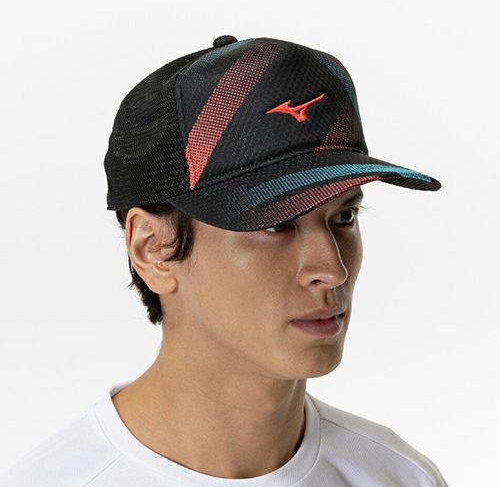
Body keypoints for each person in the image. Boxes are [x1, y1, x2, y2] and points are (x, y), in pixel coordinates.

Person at [0, 34, 449, 486]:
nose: (332, 270)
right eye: (276, 224)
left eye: (344, 217)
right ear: (153, 249)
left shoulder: (398, 476)